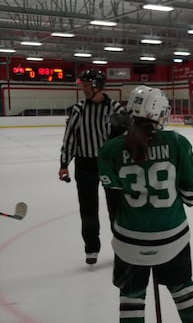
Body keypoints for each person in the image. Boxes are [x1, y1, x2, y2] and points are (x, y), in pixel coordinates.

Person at [98, 85, 193, 322]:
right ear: (157, 112)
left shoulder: (110, 149)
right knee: (184, 292)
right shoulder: (178, 142)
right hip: (172, 239)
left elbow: (114, 196)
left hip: (128, 241)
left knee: (131, 298)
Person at [58, 69, 126, 265]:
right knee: (88, 209)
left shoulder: (115, 109)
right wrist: (64, 163)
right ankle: (91, 248)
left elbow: (128, 136)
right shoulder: (78, 109)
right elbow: (70, 137)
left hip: (111, 165)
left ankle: (121, 247)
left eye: (87, 85)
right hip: (85, 165)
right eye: (83, 85)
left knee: (117, 209)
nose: (84, 88)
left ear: (97, 85)